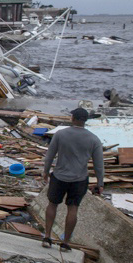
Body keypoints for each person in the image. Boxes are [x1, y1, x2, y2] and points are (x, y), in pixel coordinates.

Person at [41, 107, 104, 251]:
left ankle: (47, 237)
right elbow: (98, 165)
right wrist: (100, 183)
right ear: (85, 121)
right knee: (73, 209)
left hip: (59, 176)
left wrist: (45, 171)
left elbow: (50, 155)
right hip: (79, 179)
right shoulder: (94, 139)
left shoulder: (60, 134)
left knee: (52, 204)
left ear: (72, 118)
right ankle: (65, 243)